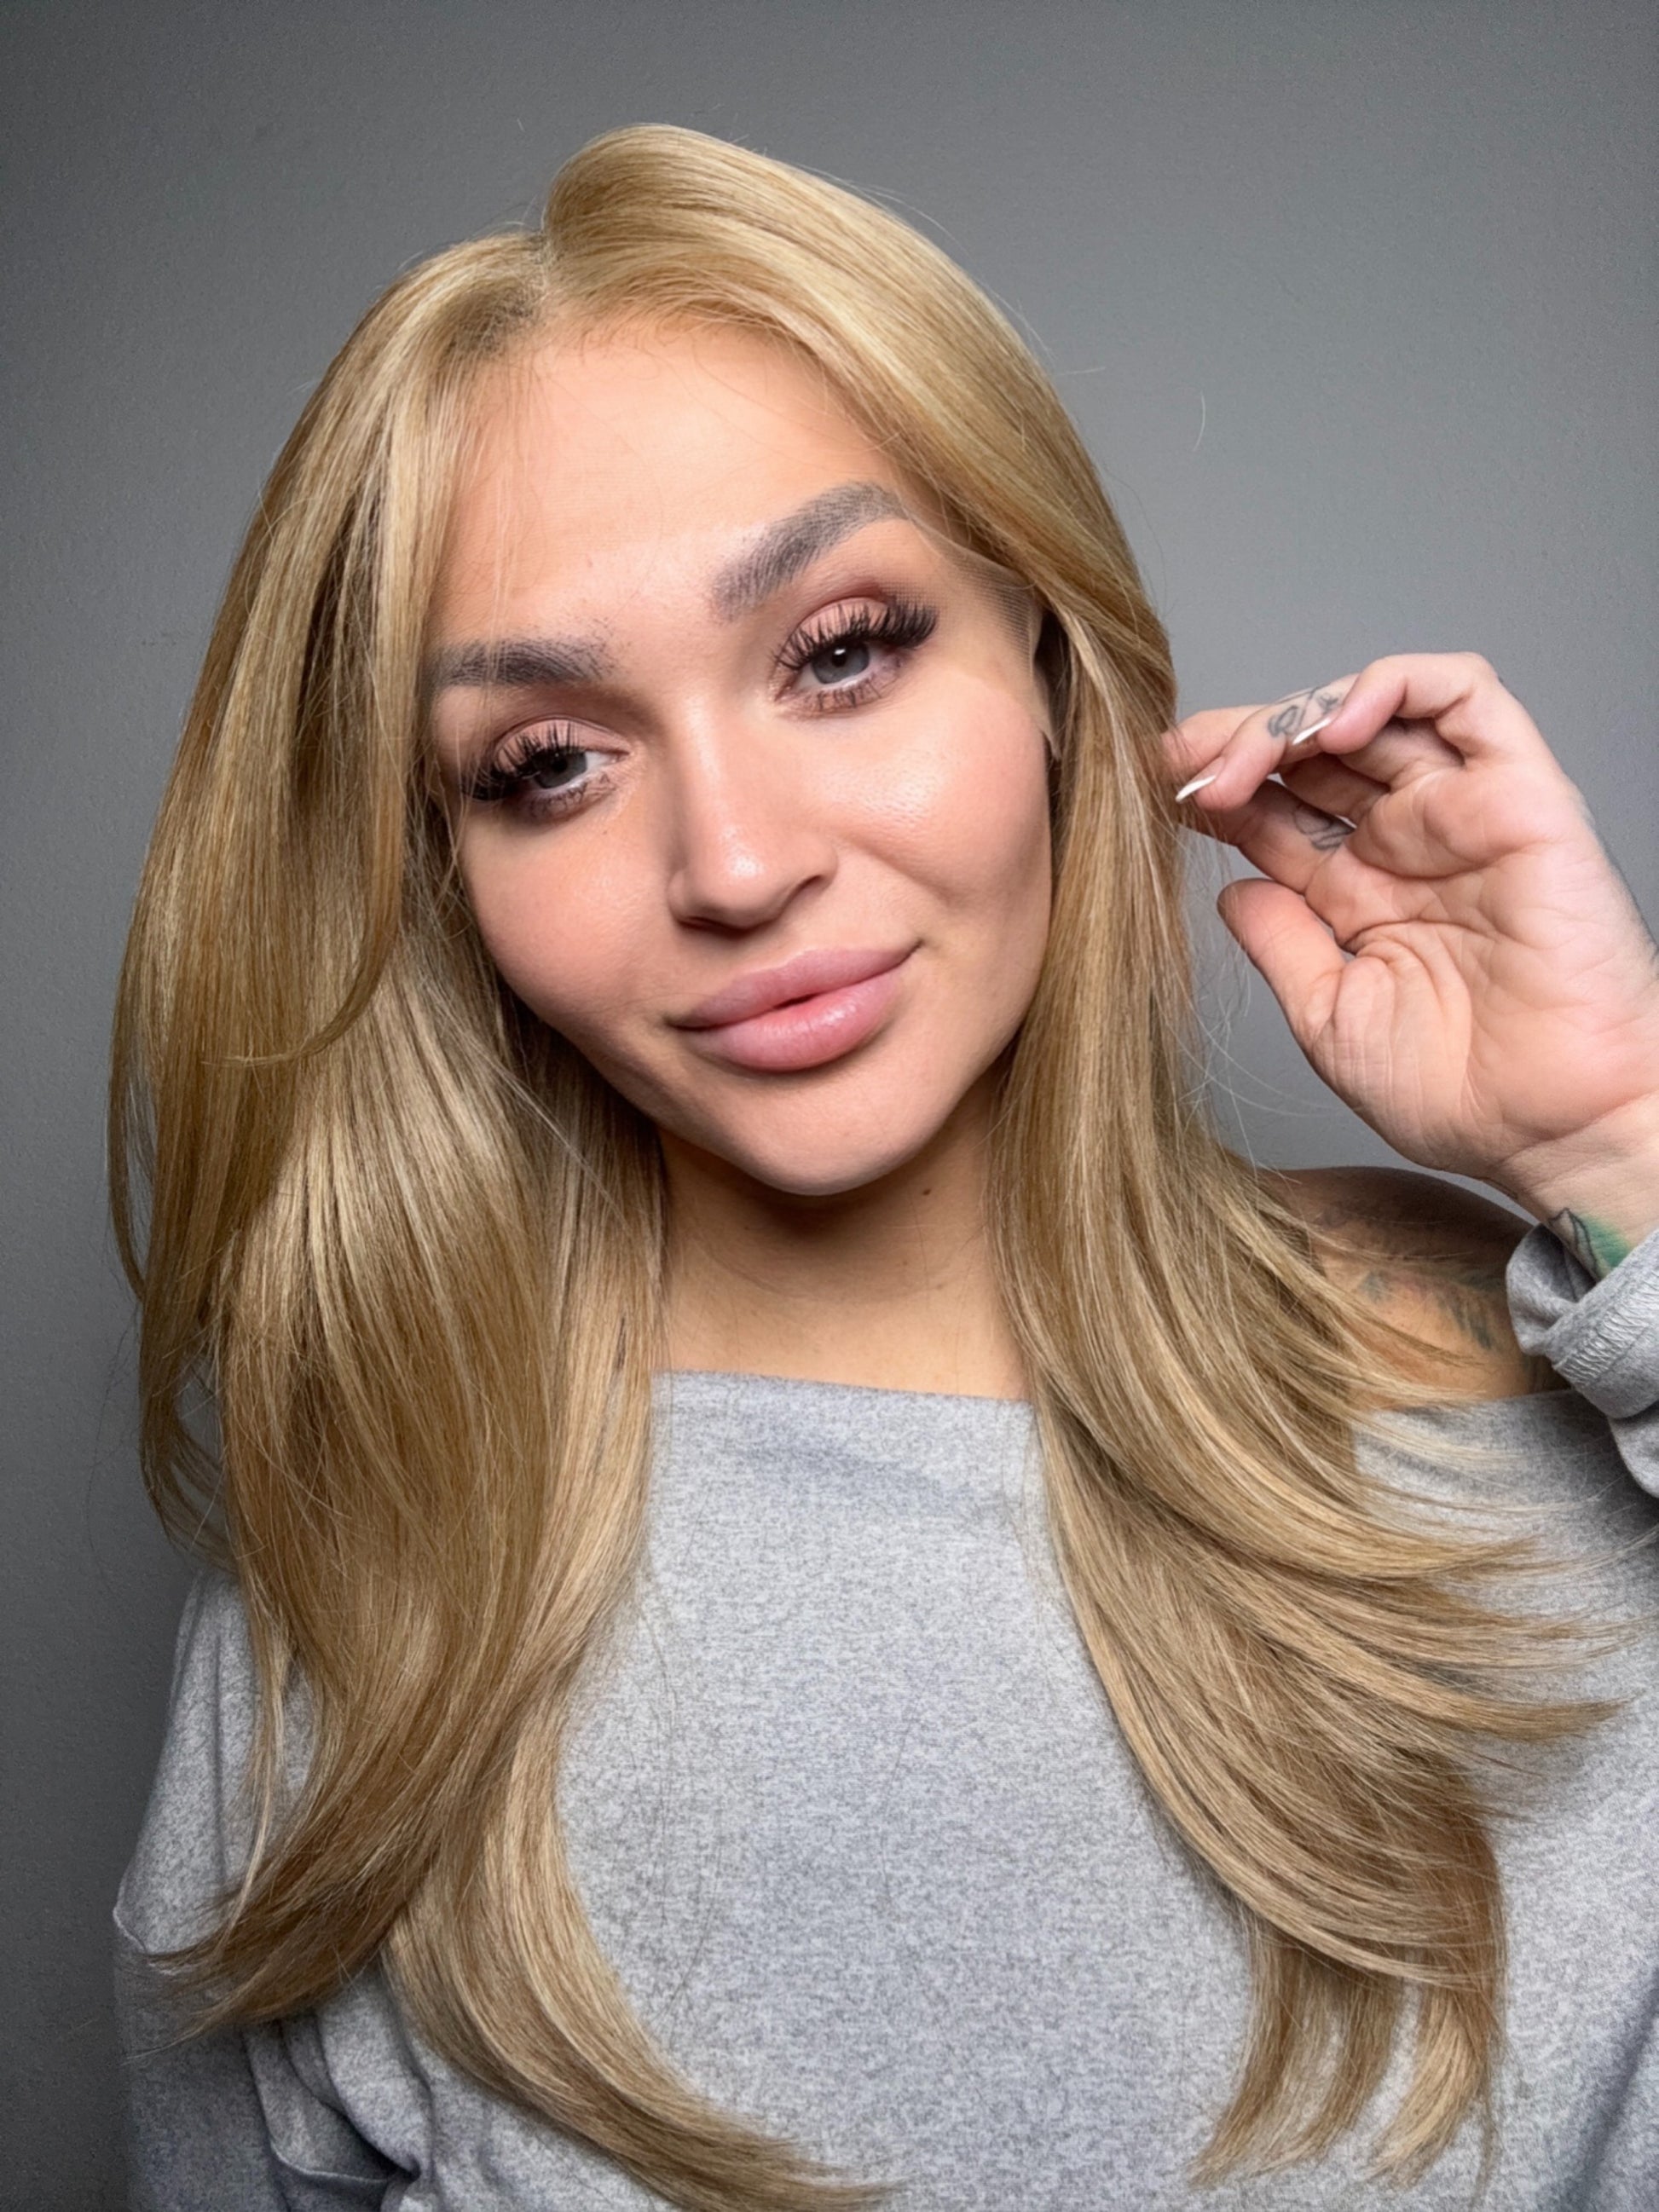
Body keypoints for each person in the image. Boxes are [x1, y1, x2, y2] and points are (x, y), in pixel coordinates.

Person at [110, 124, 1659, 2210]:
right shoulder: (369, 1625)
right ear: (438, 869)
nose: (739, 863)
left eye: (840, 648)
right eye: (549, 762)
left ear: (1049, 658)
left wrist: (1624, 1136)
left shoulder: (1539, 1359)